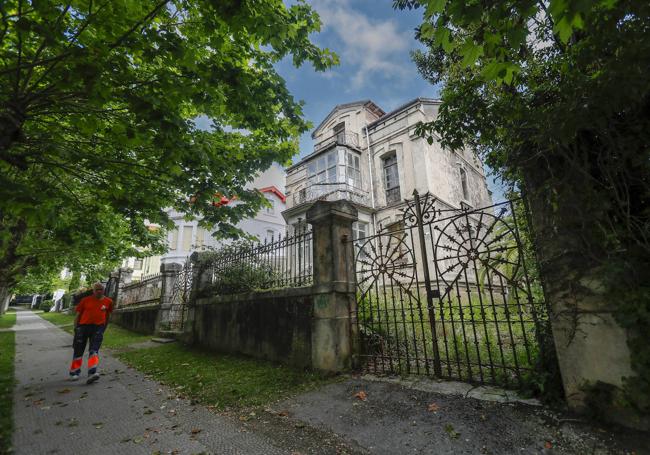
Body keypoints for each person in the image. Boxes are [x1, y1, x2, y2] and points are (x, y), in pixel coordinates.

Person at [68, 282, 113, 384]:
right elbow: (78, 315)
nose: (99, 291)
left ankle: (92, 373)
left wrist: (103, 328)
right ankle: (74, 372)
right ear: (93, 291)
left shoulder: (108, 301)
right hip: (83, 327)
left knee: (94, 351)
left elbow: (108, 316)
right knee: (78, 350)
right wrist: (76, 328)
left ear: (104, 290)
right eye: (97, 289)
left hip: (98, 328)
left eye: (101, 289)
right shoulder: (85, 300)